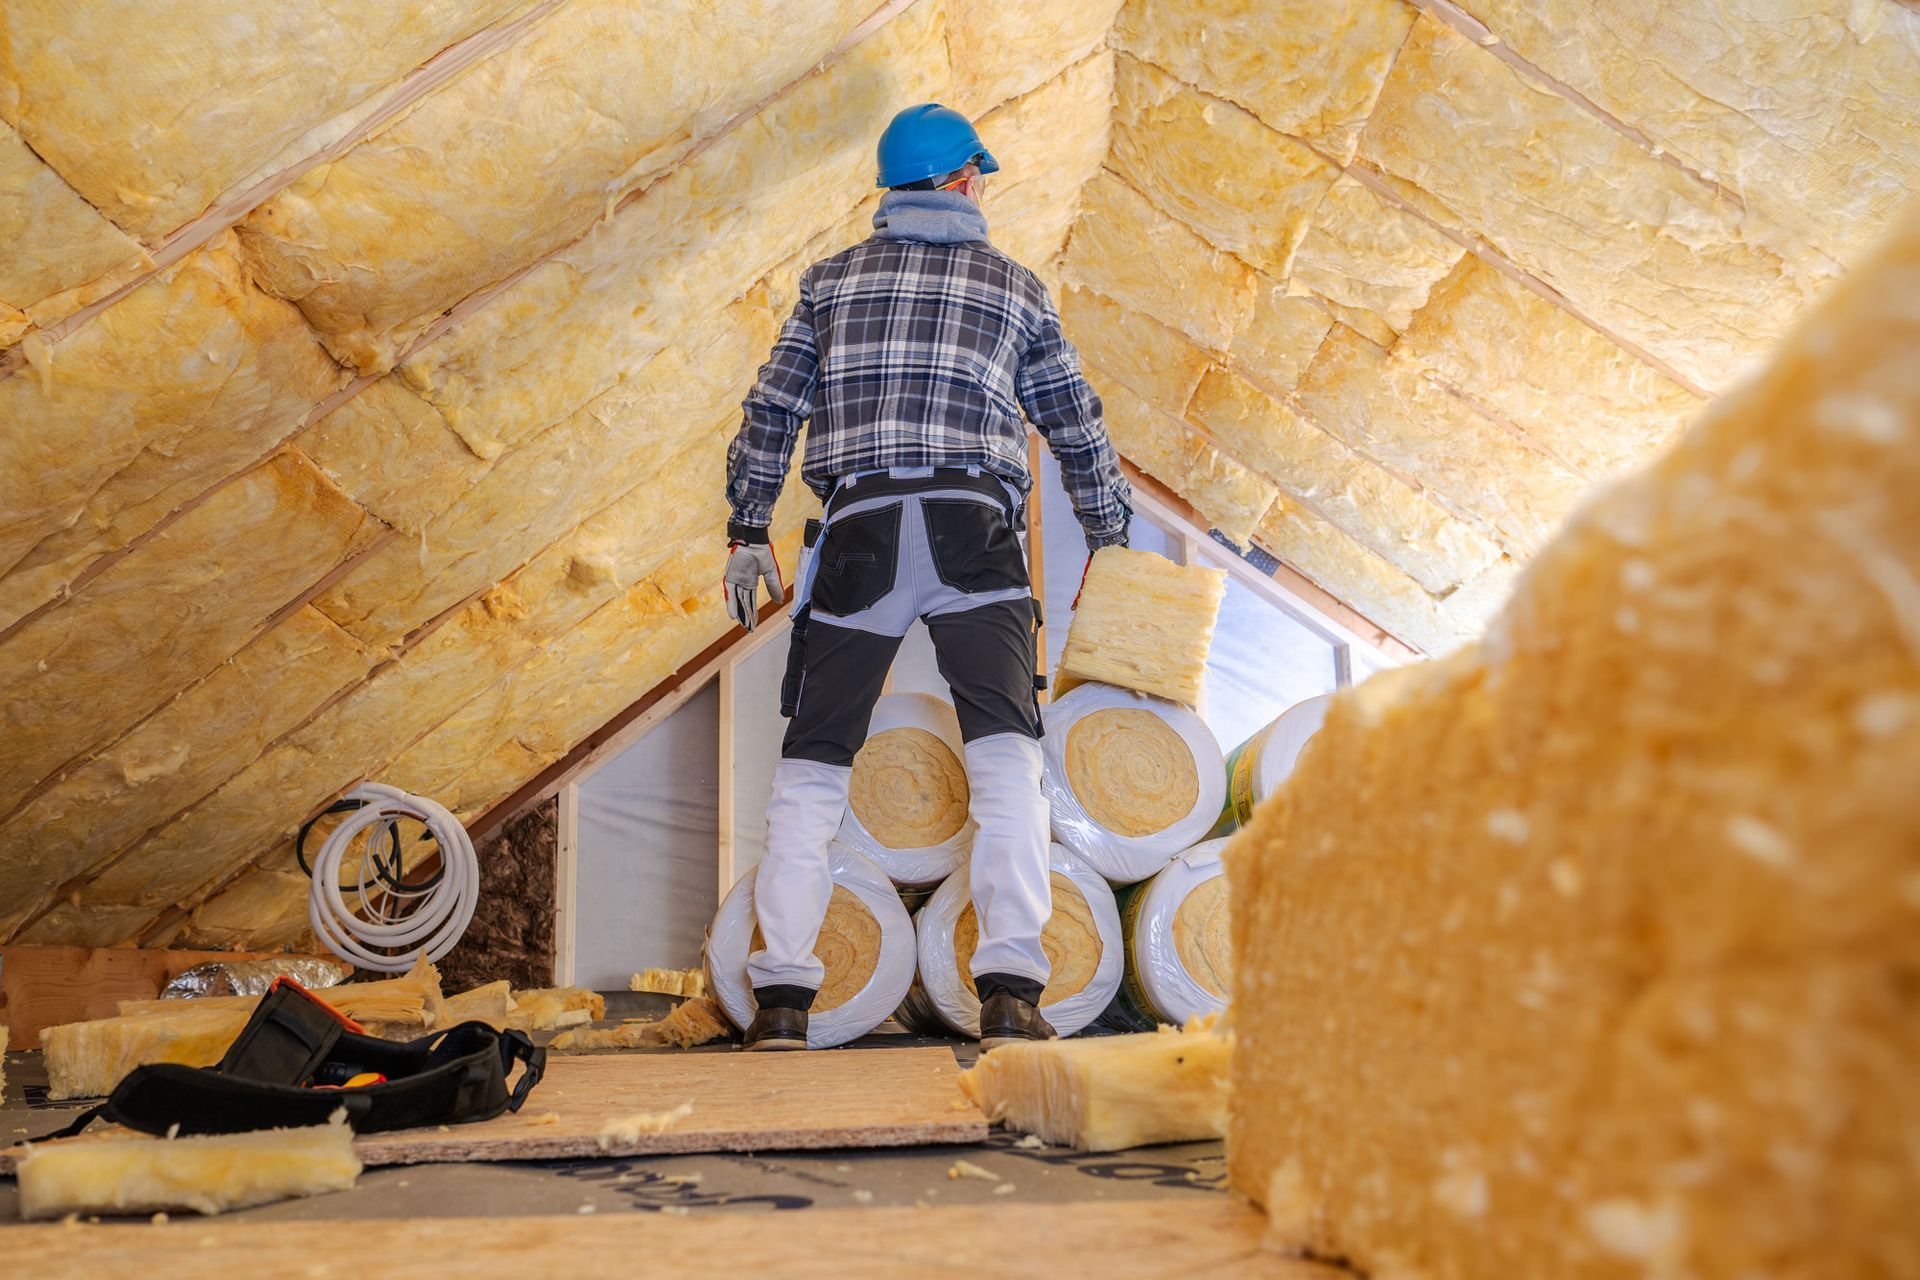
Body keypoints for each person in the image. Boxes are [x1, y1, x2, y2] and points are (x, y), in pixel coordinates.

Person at [721, 102, 1130, 1051]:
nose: (981, 184)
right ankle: (1012, 990)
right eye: (976, 173)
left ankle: (783, 997)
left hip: (860, 532)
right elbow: (1077, 423)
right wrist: (1107, 539)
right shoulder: (1016, 287)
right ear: (960, 181)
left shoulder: (830, 282)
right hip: (971, 531)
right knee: (1005, 763)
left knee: (814, 768)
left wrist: (748, 527)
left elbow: (771, 408)